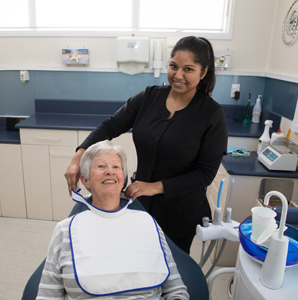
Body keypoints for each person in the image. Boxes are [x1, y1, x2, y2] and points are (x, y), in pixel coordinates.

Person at [65, 36, 228, 254]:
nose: (178, 75)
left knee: (169, 268)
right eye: (173, 66)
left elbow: (205, 174)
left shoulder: (212, 115)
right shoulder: (150, 97)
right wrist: (79, 156)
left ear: (203, 72)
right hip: (139, 204)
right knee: (136, 257)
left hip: (179, 212)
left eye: (188, 69)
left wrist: (155, 187)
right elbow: (111, 125)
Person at [37, 140, 189, 300]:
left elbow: (176, 291)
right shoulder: (65, 230)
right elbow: (47, 296)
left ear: (123, 179)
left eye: (116, 167)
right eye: (101, 166)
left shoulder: (147, 223)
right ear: (85, 180)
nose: (110, 171)